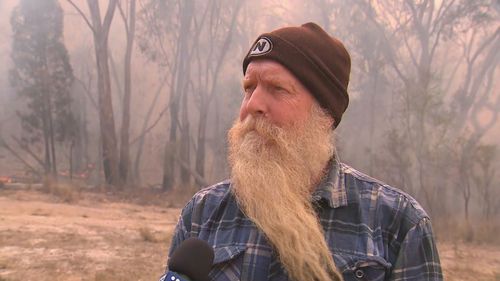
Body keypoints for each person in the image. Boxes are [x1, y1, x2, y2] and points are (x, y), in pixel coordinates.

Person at [163, 22, 443, 281]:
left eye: (278, 89)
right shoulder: (203, 212)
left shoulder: (397, 223)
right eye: (249, 88)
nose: (253, 105)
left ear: (324, 114)